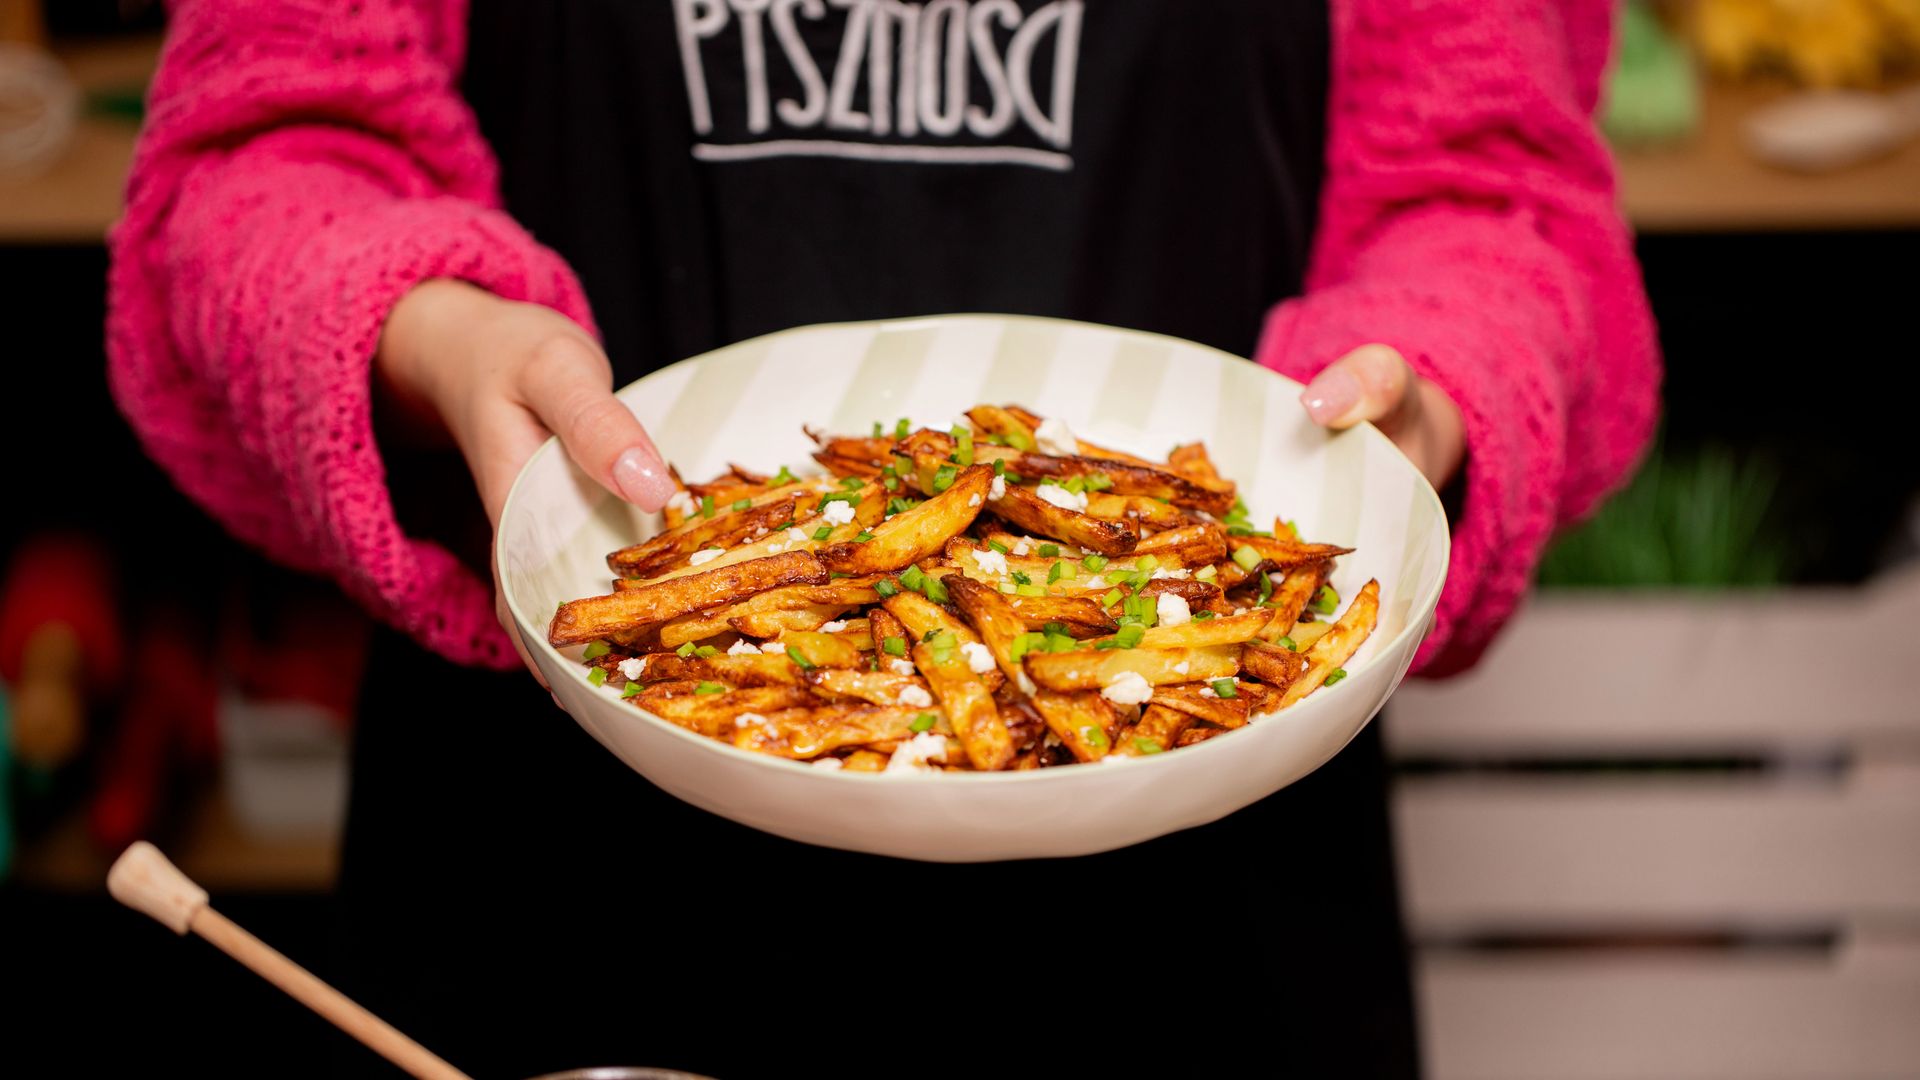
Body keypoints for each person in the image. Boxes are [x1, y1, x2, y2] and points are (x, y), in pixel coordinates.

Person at [108, 1, 1659, 1075]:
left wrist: (1424, 385)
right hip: (567, 863)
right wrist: (418, 329)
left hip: (1211, 864)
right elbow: (256, 155)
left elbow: (1494, 189)